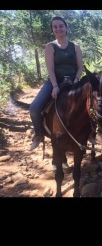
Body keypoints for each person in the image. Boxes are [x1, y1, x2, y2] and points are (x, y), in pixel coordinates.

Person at [29, 16, 83, 151]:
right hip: (55, 81)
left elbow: (80, 67)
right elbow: (50, 69)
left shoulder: (75, 46)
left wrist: (76, 80)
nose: (58, 29)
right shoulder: (50, 46)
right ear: (52, 30)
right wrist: (54, 86)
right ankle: (38, 134)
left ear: (66, 28)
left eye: (61, 26)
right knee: (34, 108)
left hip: (73, 80)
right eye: (55, 27)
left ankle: (91, 132)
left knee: (90, 103)